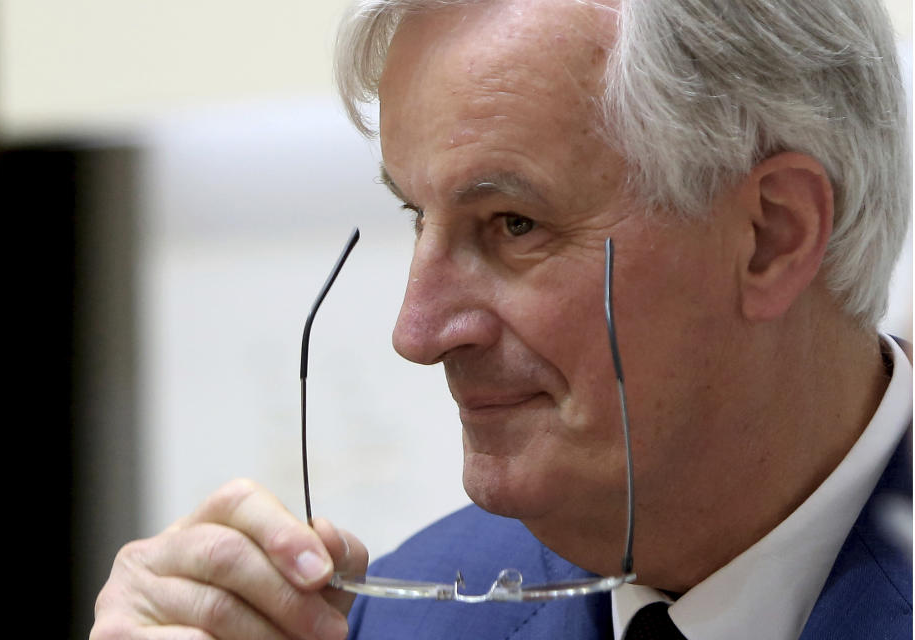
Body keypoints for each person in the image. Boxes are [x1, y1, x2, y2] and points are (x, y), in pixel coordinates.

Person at [90, 0, 912, 638]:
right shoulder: (398, 624)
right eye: (417, 216)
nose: (416, 333)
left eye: (513, 225)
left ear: (773, 235)